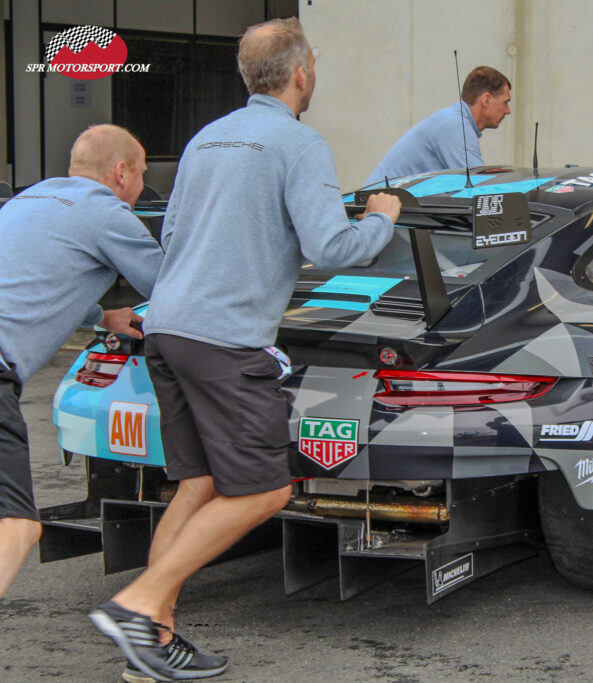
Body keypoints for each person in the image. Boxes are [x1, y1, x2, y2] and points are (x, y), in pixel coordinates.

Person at [87, 18, 401, 683]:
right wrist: (381, 216)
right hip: (223, 340)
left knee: (199, 483)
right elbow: (331, 247)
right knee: (264, 487)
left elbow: (171, 236)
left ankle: (153, 642)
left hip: (167, 328)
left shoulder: (204, 140)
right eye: (314, 61)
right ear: (302, 74)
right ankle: (137, 602)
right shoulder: (299, 143)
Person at [0, 124, 161, 600]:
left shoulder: (26, 201)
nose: (138, 188)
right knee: (17, 525)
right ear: (120, 172)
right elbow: (169, 287)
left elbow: (27, 278)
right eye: (141, 176)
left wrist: (101, 315)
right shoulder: (106, 211)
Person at [363, 65, 511, 186]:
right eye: (505, 102)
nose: (508, 111)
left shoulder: (453, 120)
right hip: (380, 213)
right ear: (486, 100)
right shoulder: (456, 126)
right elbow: (480, 188)